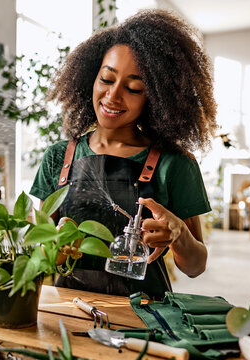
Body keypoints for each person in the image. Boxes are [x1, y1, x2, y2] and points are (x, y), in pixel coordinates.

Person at [30, 9, 218, 300]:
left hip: (145, 317)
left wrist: (178, 233)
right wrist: (52, 248)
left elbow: (196, 267)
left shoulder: (176, 164)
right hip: (69, 312)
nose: (113, 96)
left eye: (133, 88)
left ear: (156, 97)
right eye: (106, 79)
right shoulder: (58, 158)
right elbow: (36, 250)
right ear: (90, 78)